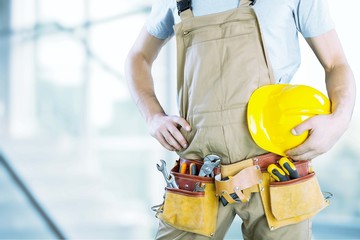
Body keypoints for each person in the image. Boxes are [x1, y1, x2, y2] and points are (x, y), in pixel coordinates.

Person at [125, 0, 356, 239]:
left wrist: (339, 120)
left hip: (275, 171)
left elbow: (336, 63)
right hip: (199, 175)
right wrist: (153, 116)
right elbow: (138, 56)